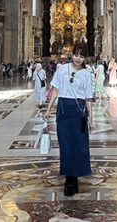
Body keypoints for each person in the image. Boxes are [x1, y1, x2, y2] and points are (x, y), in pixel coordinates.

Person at [43, 51, 93, 197]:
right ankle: (69, 179)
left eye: (82, 56)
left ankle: (75, 176)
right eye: (76, 55)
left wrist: (91, 119)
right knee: (65, 145)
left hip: (79, 109)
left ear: (85, 58)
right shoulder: (62, 69)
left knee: (79, 145)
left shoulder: (86, 73)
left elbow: (89, 97)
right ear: (72, 54)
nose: (78, 58)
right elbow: (55, 90)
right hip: (64, 109)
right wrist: (48, 109)